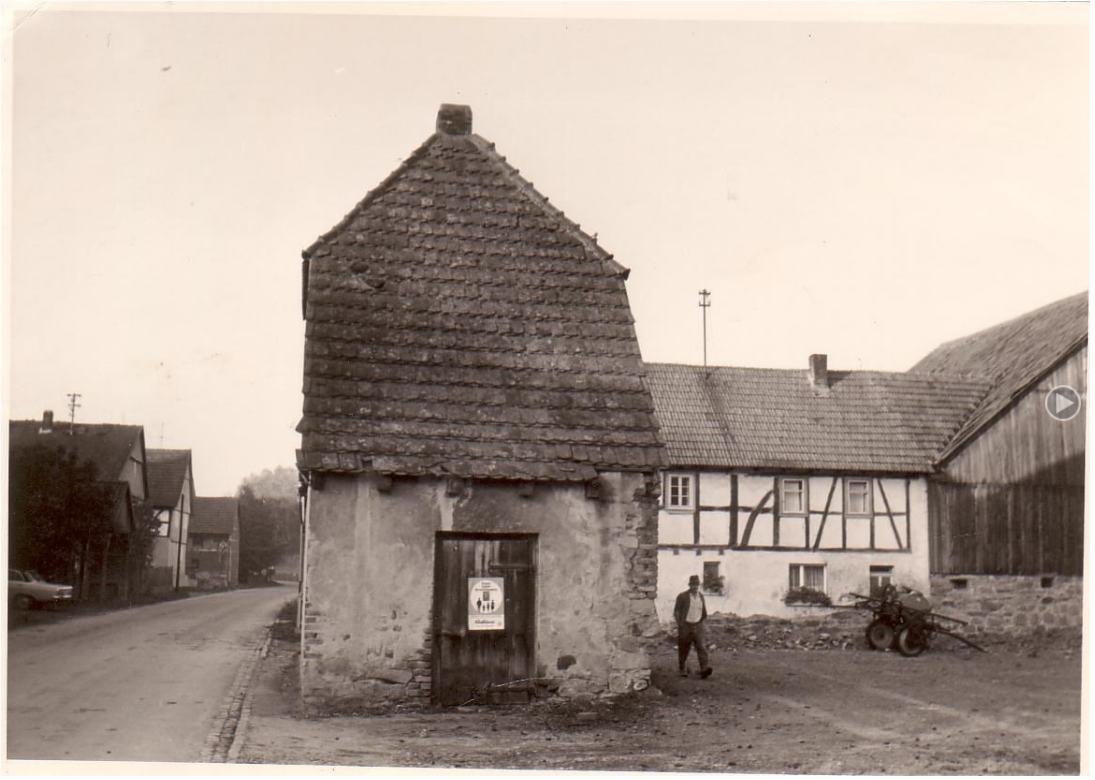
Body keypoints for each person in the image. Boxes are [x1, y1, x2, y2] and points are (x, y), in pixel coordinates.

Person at [674, 575, 713, 678]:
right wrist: (680, 625)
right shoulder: (682, 596)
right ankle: (682, 669)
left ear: (698, 585)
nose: (695, 587)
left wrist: (701, 624)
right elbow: (677, 611)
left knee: (702, 648)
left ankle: (704, 669)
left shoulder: (701, 597)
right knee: (684, 648)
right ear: (689, 585)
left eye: (696, 585)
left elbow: (703, 612)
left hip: (698, 625)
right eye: (693, 585)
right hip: (686, 626)